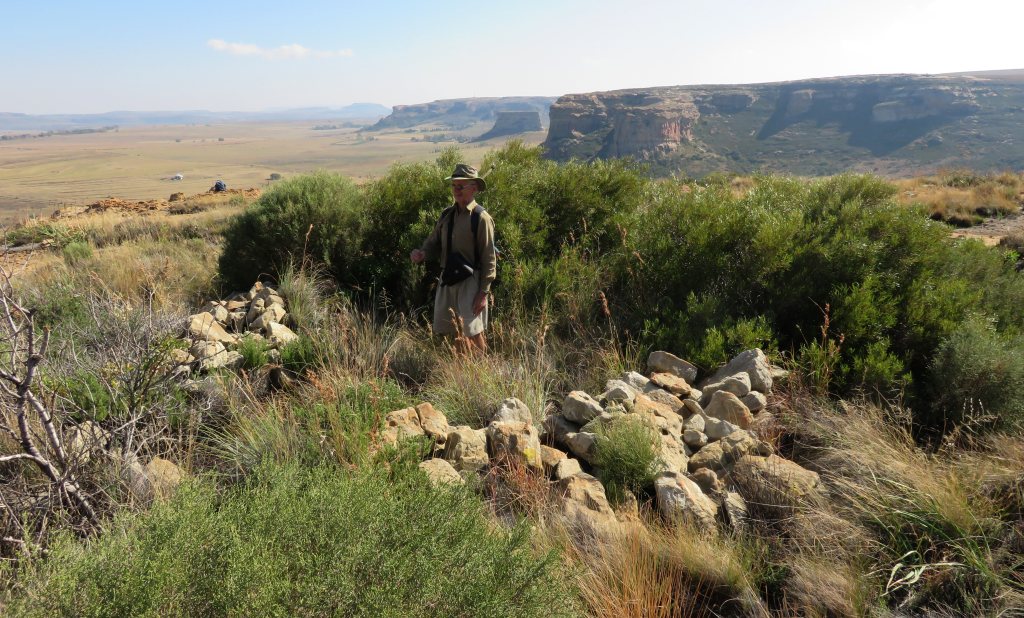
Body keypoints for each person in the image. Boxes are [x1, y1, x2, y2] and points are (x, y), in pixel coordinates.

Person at [410, 163, 496, 352]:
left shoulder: (482, 218)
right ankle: (461, 371)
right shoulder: (446, 215)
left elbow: (489, 258)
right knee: (453, 329)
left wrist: (483, 292)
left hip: (470, 282)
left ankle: (484, 371)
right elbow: (433, 242)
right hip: (448, 278)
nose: (456, 190)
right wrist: (422, 253)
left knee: (473, 331)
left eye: (461, 186)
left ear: (474, 188)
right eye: (454, 185)